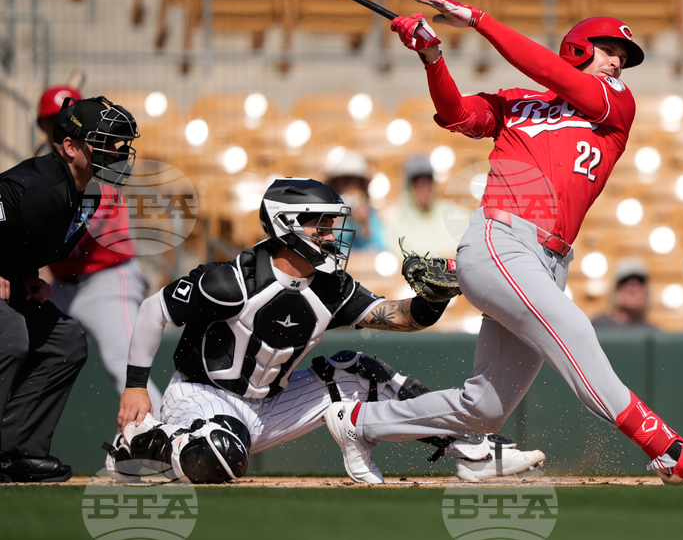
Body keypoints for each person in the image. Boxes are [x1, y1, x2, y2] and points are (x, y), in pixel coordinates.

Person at [324, 0, 683, 486]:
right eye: (609, 50)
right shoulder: (517, 102)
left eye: (623, 57)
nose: (617, 62)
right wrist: (432, 57)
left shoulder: (615, 104)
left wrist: (480, 21)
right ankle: (671, 452)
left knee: (484, 409)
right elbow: (457, 113)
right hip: (501, 239)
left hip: (549, 261)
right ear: (579, 48)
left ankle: (359, 422)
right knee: (575, 331)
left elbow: (550, 72)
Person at [107, 178, 544, 484]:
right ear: (287, 223)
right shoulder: (231, 280)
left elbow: (398, 317)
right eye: (323, 224)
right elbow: (151, 310)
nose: (333, 235)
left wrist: (433, 299)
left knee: (363, 370)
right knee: (221, 455)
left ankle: (471, 449)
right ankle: (141, 443)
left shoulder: (332, 287)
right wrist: (136, 387)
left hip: (269, 403)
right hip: (201, 397)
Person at [0, 96, 139, 482]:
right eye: (106, 145)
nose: (117, 154)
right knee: (9, 335)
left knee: (66, 340)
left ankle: (16, 453)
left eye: (120, 145)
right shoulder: (36, 186)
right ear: (70, 146)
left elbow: (20, 241)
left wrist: (25, 276)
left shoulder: (88, 192)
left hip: (10, 282)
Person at [35, 85, 162, 409]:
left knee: (129, 367)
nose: (56, 124)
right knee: (26, 358)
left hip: (107, 280)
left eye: (63, 117)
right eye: (51, 119)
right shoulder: (40, 171)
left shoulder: (102, 166)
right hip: (59, 286)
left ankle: (166, 434)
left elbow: (81, 226)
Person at [384, 154, 469, 258]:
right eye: (417, 184)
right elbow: (399, 258)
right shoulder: (396, 223)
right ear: (409, 188)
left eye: (427, 182)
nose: (423, 189)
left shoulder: (456, 215)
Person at [324, 147, 389, 251]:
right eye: (346, 180)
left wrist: (365, 225)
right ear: (335, 184)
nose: (352, 186)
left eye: (357, 181)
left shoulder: (371, 215)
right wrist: (334, 222)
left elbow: (381, 249)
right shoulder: (324, 215)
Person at [590, 258, 658, 331]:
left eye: (640, 281)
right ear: (615, 289)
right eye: (625, 281)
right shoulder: (596, 327)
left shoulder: (652, 333)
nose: (633, 288)